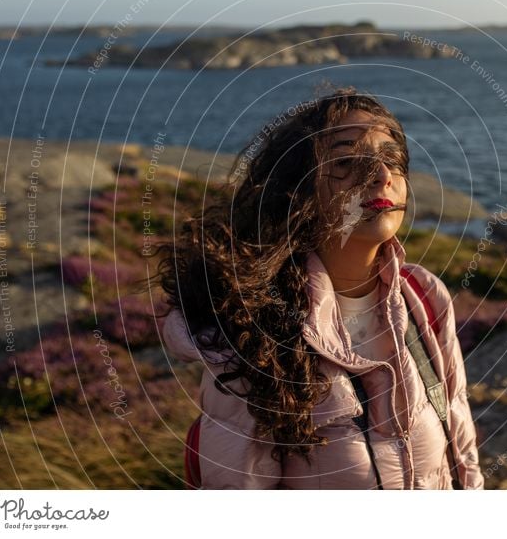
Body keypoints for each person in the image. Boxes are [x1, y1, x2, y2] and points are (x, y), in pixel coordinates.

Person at [156, 86, 484, 489]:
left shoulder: (424, 296)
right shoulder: (253, 330)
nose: (381, 176)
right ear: (299, 191)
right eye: (348, 162)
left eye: (392, 161)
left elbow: (461, 449)